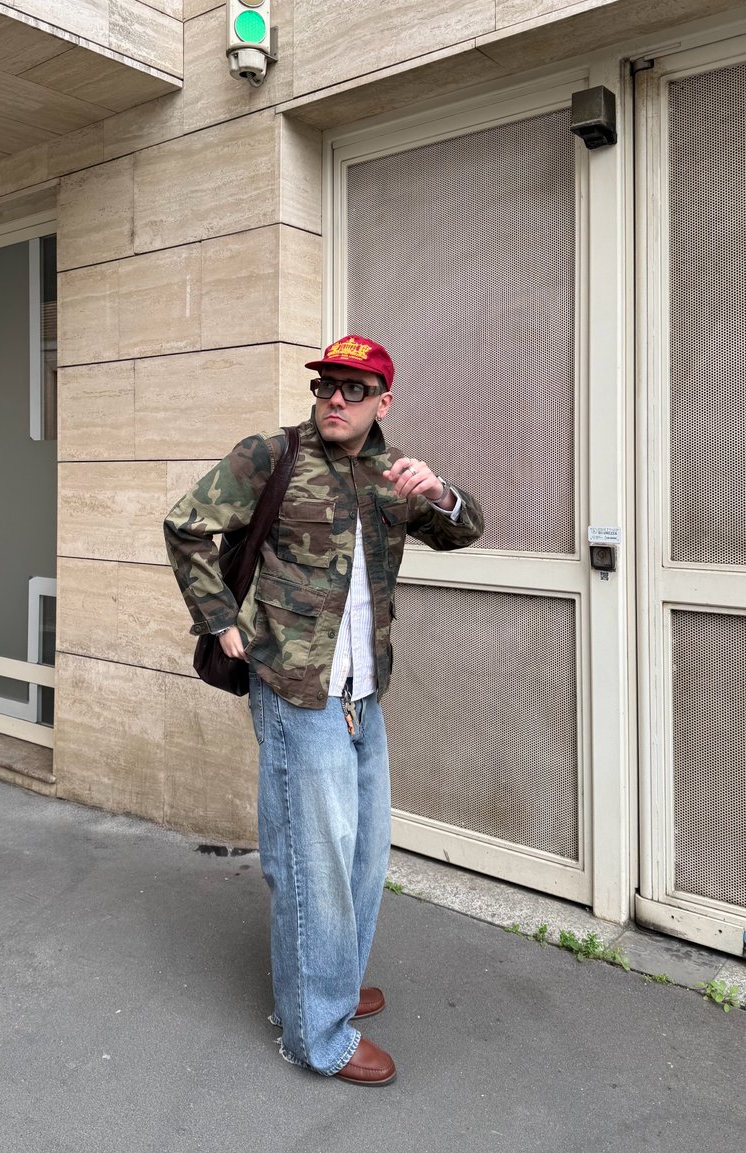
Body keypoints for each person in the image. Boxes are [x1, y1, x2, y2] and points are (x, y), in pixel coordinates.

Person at [164, 335, 483, 1086]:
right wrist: (218, 616)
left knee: (364, 857)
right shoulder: (270, 455)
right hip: (295, 691)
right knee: (313, 864)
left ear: (382, 401)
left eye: (352, 386)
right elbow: (186, 525)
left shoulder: (392, 472)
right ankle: (317, 1031)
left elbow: (463, 529)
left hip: (362, 692)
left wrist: (438, 493)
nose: (334, 398)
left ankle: (325, 982)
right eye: (324, 386)